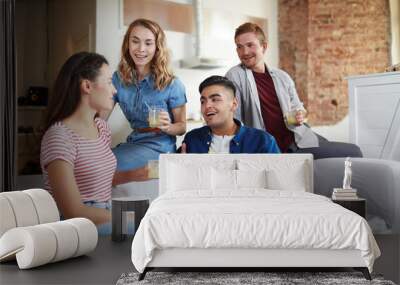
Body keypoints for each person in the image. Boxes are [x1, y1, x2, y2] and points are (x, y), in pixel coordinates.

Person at [226, 22, 362, 159]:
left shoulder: (282, 76)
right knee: (353, 152)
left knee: (352, 151)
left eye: (250, 45)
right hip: (277, 149)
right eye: (239, 47)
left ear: (264, 46)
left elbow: (298, 108)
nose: (245, 52)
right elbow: (232, 120)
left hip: (299, 137)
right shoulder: (235, 76)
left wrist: (299, 115)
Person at [41, 52, 117, 235]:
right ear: (87, 86)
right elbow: (73, 211)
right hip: (77, 229)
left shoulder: (102, 128)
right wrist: (127, 217)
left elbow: (98, 178)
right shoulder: (59, 137)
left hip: (104, 217)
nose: (114, 90)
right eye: (108, 81)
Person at [109, 18, 187, 182]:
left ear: (157, 47)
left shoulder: (172, 84)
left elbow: (181, 127)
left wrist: (167, 127)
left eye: (148, 43)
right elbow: (100, 117)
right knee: (92, 163)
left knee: (104, 166)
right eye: (135, 41)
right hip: (133, 142)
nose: (141, 49)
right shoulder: (118, 79)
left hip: (160, 149)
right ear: (127, 44)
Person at [181, 75, 280, 154]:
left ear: (234, 104)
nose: (207, 106)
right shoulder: (192, 139)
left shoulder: (263, 141)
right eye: (203, 101)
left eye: (215, 99)